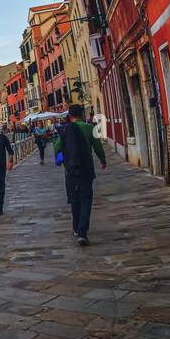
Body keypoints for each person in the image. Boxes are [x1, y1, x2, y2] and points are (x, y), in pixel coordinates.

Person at [55, 103, 106, 245]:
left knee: (74, 199)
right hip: (86, 168)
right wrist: (103, 160)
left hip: (70, 170)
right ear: (82, 114)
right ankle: (83, 232)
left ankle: (76, 228)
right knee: (86, 199)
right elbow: (98, 147)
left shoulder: (65, 130)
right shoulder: (90, 128)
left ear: (69, 116)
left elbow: (57, 147)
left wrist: (59, 160)